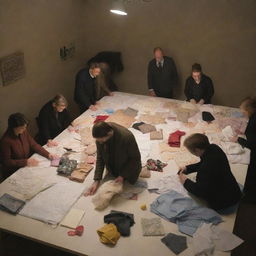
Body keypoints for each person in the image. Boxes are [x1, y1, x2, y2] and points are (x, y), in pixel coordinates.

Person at [178, 133, 242, 211]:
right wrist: (187, 168)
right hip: (234, 192)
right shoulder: (214, 148)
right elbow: (203, 163)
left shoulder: (206, 169)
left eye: (191, 151)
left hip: (224, 203)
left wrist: (185, 182)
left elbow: (200, 191)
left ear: (197, 150)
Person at [85, 121, 141, 196]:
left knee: (126, 191)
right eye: (98, 141)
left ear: (109, 134)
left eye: (101, 140)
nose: (100, 143)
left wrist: (122, 175)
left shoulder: (127, 137)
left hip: (128, 167)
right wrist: (97, 180)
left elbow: (135, 159)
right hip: (114, 165)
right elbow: (100, 157)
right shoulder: (101, 136)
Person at [0, 113, 54, 179]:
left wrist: (48, 154)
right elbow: (7, 162)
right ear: (13, 127)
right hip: (14, 172)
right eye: (22, 128)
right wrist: (25, 162)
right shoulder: (6, 141)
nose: (25, 129)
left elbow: (34, 145)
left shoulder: (23, 132)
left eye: (25, 127)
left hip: (25, 166)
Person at [236, 97, 256, 202]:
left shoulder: (254, 121)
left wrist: (238, 139)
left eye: (244, 112)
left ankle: (250, 195)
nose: (243, 114)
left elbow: (252, 144)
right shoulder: (253, 117)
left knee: (250, 171)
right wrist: (244, 133)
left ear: (249, 110)